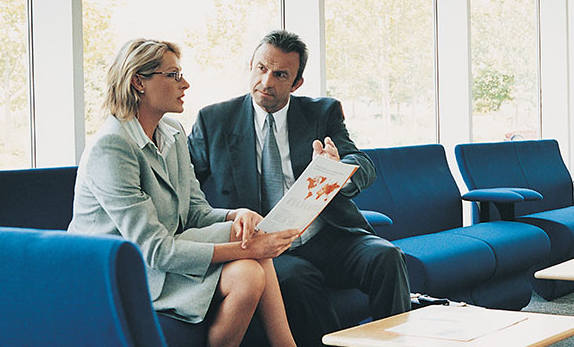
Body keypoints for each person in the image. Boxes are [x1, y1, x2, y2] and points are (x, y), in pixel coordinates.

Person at [70, 38, 299, 347]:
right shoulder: (111, 147)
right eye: (173, 75)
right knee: (248, 246)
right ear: (138, 81)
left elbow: (195, 212)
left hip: (163, 262)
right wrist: (251, 248)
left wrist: (237, 213)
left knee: (249, 274)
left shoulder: (174, 133)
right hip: (122, 273)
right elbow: (154, 250)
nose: (185, 84)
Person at [189, 30, 410, 346]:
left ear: (296, 84)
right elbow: (184, 187)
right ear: (250, 65)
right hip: (267, 246)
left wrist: (339, 170)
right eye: (261, 68)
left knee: (387, 257)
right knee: (297, 279)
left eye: (281, 75)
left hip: (326, 234)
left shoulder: (322, 112)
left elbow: (362, 162)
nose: (267, 81)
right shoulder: (214, 120)